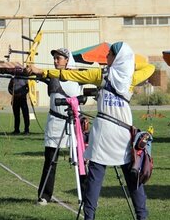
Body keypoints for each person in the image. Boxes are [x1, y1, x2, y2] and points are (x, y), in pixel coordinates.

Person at [27, 42, 155, 220]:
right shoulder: (130, 77)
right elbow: (150, 67)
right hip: (123, 133)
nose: (106, 57)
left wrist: (44, 72)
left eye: (110, 55)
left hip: (103, 131)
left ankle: (89, 217)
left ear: (116, 58)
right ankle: (142, 216)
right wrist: (128, 63)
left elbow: (69, 74)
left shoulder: (101, 74)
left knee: (95, 176)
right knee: (133, 176)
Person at [36, 48, 83, 205]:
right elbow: (33, 72)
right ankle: (44, 196)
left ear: (67, 60)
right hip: (55, 123)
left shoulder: (79, 76)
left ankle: (85, 194)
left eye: (59, 58)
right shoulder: (51, 75)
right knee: (50, 161)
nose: (55, 61)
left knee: (81, 161)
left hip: (73, 124)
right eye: (54, 58)